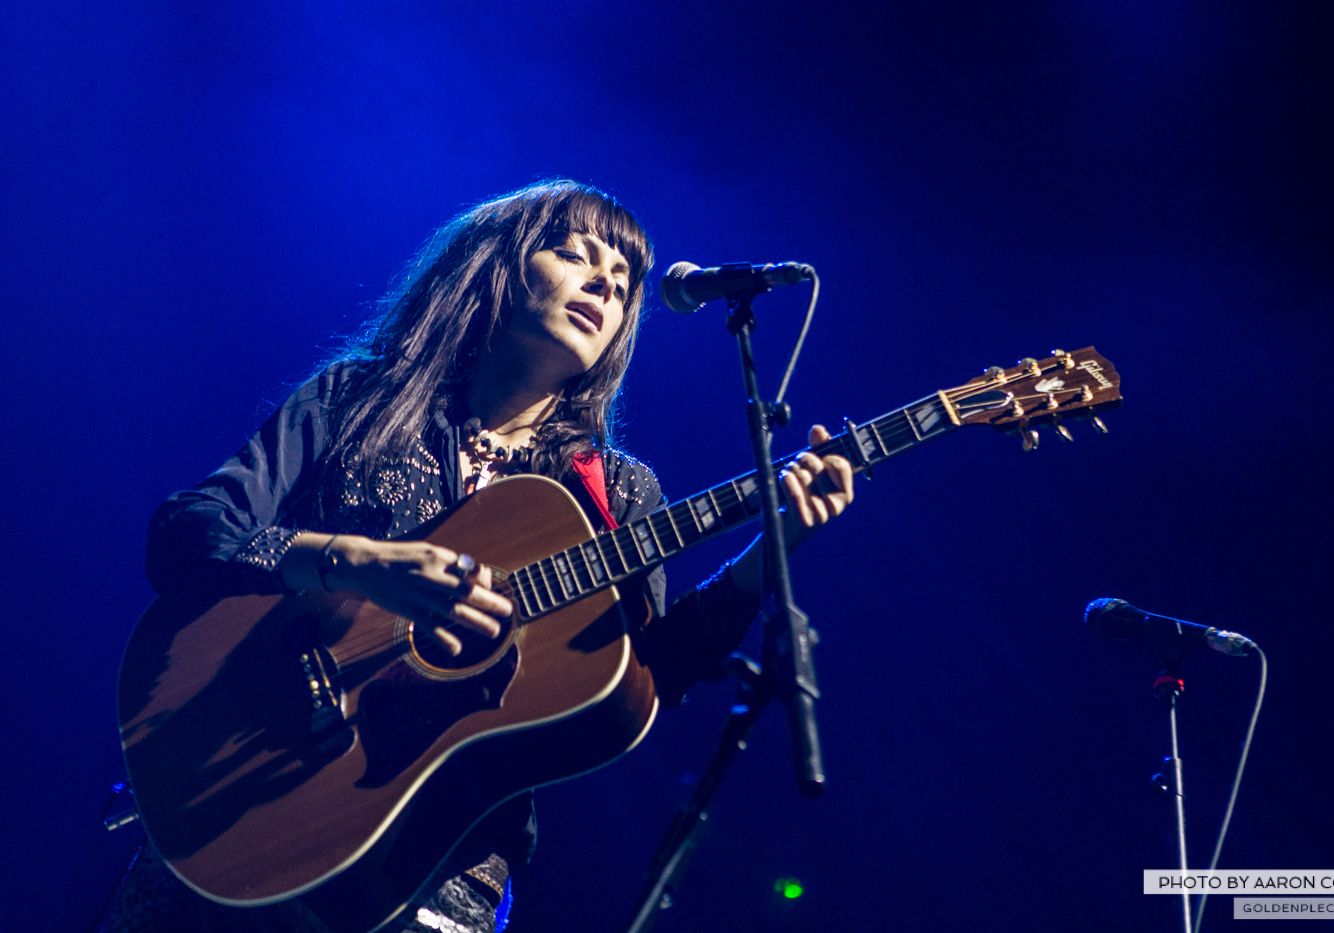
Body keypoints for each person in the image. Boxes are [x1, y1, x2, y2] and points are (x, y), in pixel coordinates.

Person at [100, 179, 854, 933]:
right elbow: (188, 532)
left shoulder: (615, 494)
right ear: (499, 266)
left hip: (437, 867)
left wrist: (775, 546)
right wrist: (356, 562)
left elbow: (646, 674)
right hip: (235, 806)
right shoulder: (356, 400)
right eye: (575, 253)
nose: (603, 283)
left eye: (622, 283)